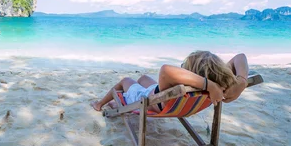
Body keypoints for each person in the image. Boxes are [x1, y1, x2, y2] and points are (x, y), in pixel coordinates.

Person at [91, 51, 249, 113]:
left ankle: (99, 104)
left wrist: (209, 85)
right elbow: (240, 57)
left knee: (126, 81)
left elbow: (166, 69)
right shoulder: (220, 82)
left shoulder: (179, 85)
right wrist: (241, 82)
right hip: (160, 93)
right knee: (144, 78)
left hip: (149, 99)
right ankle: (121, 101)